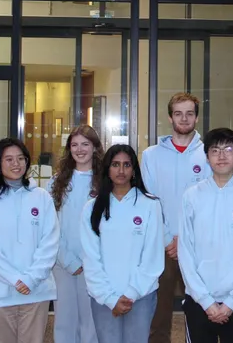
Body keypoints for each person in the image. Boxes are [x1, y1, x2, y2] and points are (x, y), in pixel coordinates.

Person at [178, 128, 233, 343]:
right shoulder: (192, 196)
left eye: (228, 149)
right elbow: (185, 252)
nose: (222, 155)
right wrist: (206, 301)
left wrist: (231, 302)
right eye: (215, 150)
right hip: (199, 300)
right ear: (207, 157)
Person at [0, 138, 59, 343]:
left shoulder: (41, 197)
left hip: (36, 290)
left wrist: (31, 278)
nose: (16, 164)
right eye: (9, 159)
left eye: (21, 158)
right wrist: (14, 279)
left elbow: (50, 242)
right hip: (0, 291)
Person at [142, 92, 212, 343]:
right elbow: (148, 201)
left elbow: (209, 202)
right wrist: (167, 239)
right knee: (158, 313)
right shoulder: (151, 155)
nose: (184, 118)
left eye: (190, 113)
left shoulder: (208, 154)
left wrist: (185, 238)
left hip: (198, 244)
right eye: (179, 113)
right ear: (170, 117)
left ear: (196, 117)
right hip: (162, 246)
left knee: (200, 307)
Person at [80, 144, 165, 343]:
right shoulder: (91, 208)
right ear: (107, 169)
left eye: (126, 165)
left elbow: (152, 257)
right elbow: (91, 259)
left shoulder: (150, 205)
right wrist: (110, 298)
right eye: (115, 164)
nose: (121, 170)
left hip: (141, 295)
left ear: (134, 169)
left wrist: (131, 293)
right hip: (104, 297)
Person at [46, 126, 103, 343]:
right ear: (69, 149)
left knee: (92, 322)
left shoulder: (106, 182)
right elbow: (50, 226)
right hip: (63, 263)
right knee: (65, 321)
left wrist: (91, 259)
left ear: (95, 148)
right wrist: (68, 260)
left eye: (85, 144)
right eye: (74, 145)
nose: (80, 150)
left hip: (94, 263)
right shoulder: (57, 182)